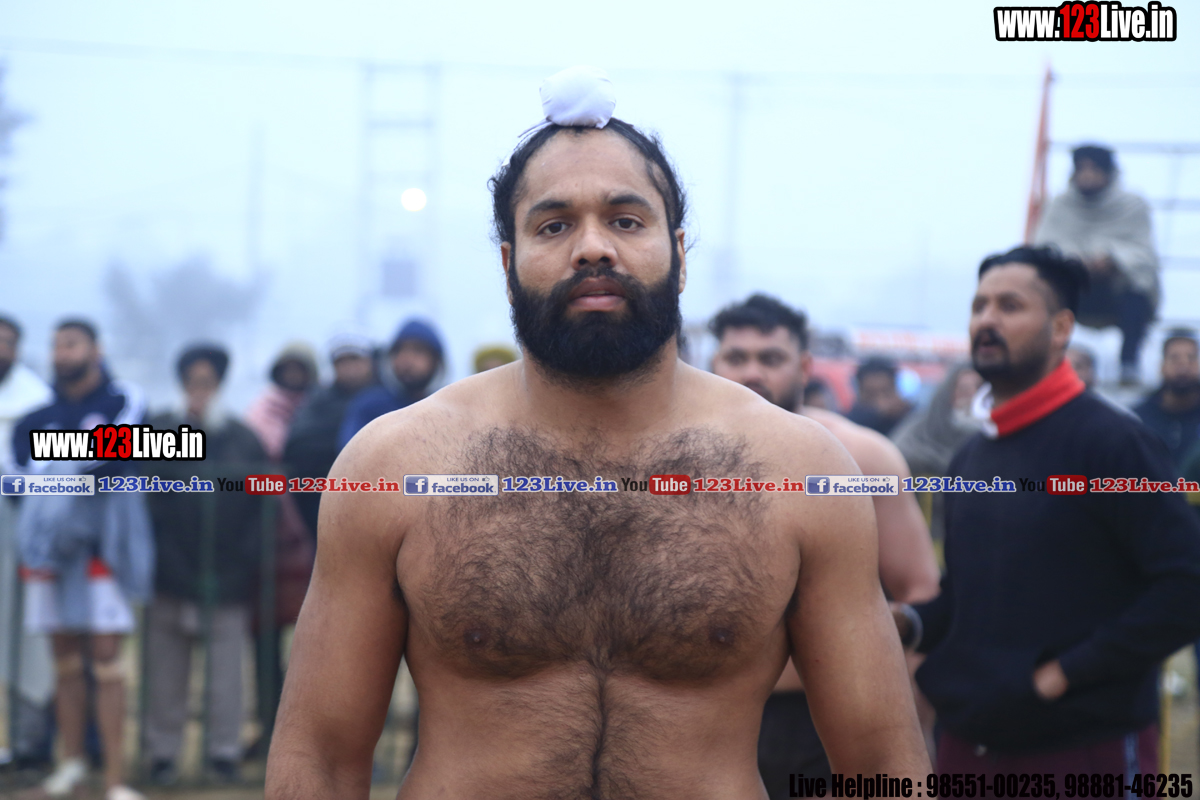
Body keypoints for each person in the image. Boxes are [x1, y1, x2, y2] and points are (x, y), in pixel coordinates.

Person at [266, 68, 930, 799]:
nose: (592, 248)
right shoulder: (395, 466)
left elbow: (882, 762)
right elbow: (320, 758)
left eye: (626, 220)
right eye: (554, 225)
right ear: (509, 264)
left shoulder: (796, 470)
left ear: (679, 255)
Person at [893, 245, 1200, 776]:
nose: (987, 320)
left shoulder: (1113, 443)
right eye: (979, 306)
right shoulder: (971, 455)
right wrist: (907, 622)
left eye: (1010, 306)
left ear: (1061, 328)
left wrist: (1060, 675)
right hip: (969, 744)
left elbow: (1186, 584)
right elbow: (971, 595)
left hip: (1082, 749)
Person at [709, 293, 940, 796]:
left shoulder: (860, 458)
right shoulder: (679, 464)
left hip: (827, 714)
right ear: (713, 363)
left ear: (804, 367)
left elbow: (921, 593)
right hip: (708, 716)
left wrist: (910, 726)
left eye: (770, 358)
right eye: (736, 357)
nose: (752, 372)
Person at [12, 319, 152, 800]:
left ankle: (115, 780)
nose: (62, 353)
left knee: (108, 662)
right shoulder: (36, 416)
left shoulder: (123, 400)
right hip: (51, 556)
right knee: (65, 662)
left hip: (102, 554)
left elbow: (121, 448)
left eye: (71, 344)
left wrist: (56, 467)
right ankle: (70, 769)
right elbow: (15, 475)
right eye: (56, 345)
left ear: (96, 349)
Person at [142, 345, 267, 785]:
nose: (199, 390)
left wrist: (236, 565)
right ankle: (163, 754)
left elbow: (261, 509)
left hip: (227, 577)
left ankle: (223, 753)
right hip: (169, 577)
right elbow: (148, 503)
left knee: (226, 677)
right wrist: (169, 564)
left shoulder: (243, 438)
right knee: (165, 673)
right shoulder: (158, 431)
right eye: (192, 382)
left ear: (218, 385)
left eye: (207, 382)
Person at [244, 343, 318, 758]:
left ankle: (307, 732)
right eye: (285, 368)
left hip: (315, 538)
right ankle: (269, 727)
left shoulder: (319, 411)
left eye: (299, 368)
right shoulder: (260, 412)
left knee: (315, 641)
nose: (292, 375)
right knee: (265, 639)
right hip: (268, 543)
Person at [1035, 144, 1159, 384]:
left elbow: (1144, 254)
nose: (1088, 175)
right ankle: (1046, 360)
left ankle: (1128, 365)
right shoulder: (1058, 206)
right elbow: (1044, 249)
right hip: (1073, 290)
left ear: (1109, 172)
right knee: (1041, 289)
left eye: (1094, 168)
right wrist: (1074, 263)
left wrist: (1114, 260)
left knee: (1141, 288)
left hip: (1117, 291)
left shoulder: (1132, 205)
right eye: (1082, 168)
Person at [0, 315, 55, 770]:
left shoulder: (35, 399)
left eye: (9, 342)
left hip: (17, 526)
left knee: (24, 636)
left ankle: (25, 741)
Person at [284, 332, 378, 537]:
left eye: (355, 359)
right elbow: (297, 445)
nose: (349, 368)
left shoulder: (388, 399)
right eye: (341, 361)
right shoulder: (318, 401)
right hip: (324, 507)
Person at [891, 363, 984, 542]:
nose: (971, 396)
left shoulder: (998, 437)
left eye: (979, 389)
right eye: (963, 389)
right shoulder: (919, 431)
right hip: (925, 537)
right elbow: (893, 463)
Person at [336, 319, 444, 448]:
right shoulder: (369, 406)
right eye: (399, 350)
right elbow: (350, 453)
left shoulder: (446, 409)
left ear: (436, 360)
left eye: (418, 350)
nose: (406, 360)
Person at [1133, 329, 1200, 468]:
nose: (1183, 366)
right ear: (1162, 365)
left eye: (1191, 358)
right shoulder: (1139, 418)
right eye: (1174, 358)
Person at [847, 355, 913, 436]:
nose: (881, 403)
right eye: (871, 395)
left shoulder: (910, 418)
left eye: (886, 393)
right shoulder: (848, 424)